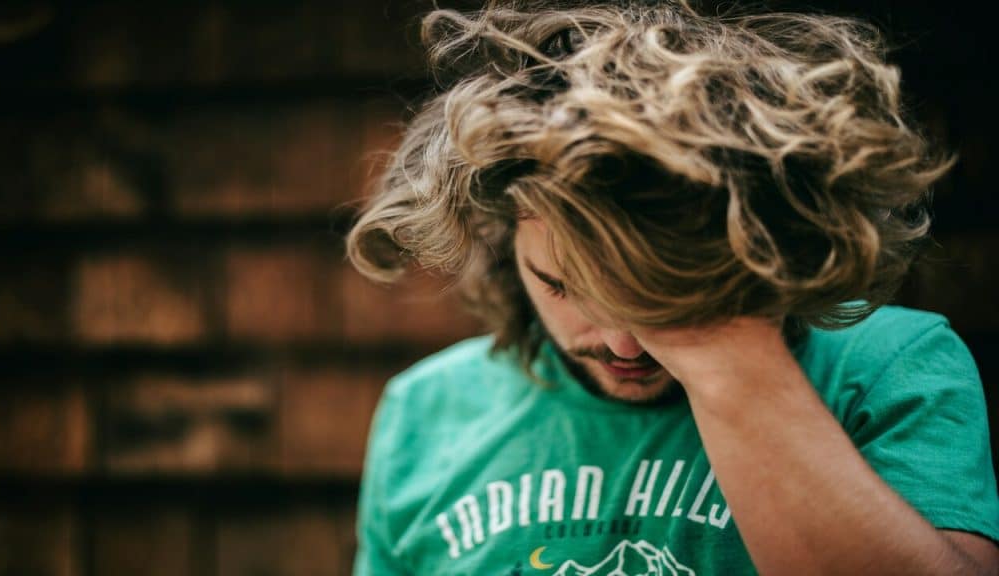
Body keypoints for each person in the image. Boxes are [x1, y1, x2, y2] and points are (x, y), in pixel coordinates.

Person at [346, 1, 999, 574]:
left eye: (655, 292)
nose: (624, 341)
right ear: (502, 235)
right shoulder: (422, 411)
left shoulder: (891, 365)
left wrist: (723, 345)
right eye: (563, 286)